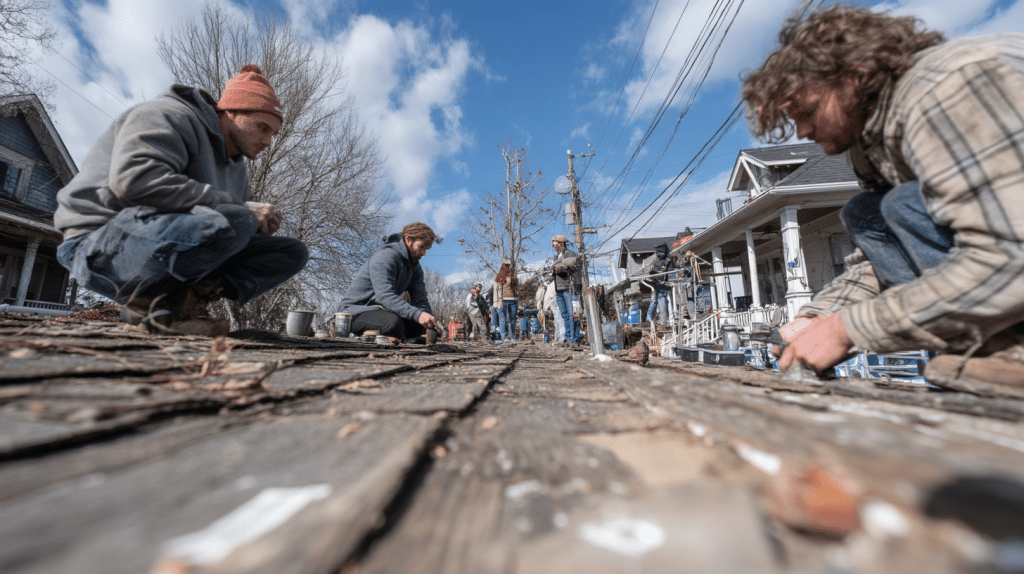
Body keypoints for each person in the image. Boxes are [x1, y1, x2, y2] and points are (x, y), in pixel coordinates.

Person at [742, 5, 1024, 388]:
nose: (803, 131)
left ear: (854, 77)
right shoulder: (872, 141)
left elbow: (1011, 256)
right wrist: (818, 320)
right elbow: (880, 260)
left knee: (897, 205)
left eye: (808, 111)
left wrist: (847, 330)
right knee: (871, 213)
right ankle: (994, 347)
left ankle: (1009, 347)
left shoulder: (948, 89)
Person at [53, 65, 308, 336]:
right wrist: (243, 211)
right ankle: (149, 305)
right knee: (238, 217)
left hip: (158, 239)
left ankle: (179, 307)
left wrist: (258, 224)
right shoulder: (167, 115)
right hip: (96, 245)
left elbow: (234, 225)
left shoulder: (236, 167)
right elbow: (134, 181)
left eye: (272, 134)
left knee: (290, 252)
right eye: (262, 127)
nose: (267, 141)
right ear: (231, 112)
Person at [338, 222, 439, 342]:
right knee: (393, 324)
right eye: (421, 247)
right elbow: (385, 296)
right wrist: (418, 315)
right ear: (408, 240)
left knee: (418, 326)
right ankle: (396, 340)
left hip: (381, 312)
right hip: (355, 313)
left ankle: (399, 339)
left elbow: (420, 300)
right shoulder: (386, 257)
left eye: (426, 249)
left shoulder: (415, 268)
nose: (423, 253)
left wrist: (428, 320)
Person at [551, 234, 581, 348]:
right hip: (558, 288)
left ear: (561, 243)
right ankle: (568, 338)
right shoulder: (556, 257)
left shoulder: (570, 254)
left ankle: (573, 339)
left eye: (556, 245)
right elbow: (557, 269)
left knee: (570, 314)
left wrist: (558, 267)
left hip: (568, 287)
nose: (555, 247)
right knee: (564, 315)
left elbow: (571, 267)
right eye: (554, 246)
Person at [645, 243, 676, 326]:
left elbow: (670, 274)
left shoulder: (667, 262)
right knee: (656, 302)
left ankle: (665, 322)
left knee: (662, 303)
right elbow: (652, 273)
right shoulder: (657, 261)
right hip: (659, 286)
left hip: (665, 286)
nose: (658, 254)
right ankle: (653, 320)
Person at [494, 261, 518, 344]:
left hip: (513, 299)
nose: (508, 267)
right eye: (506, 265)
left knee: (513, 320)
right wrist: (496, 302)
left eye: (509, 265)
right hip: (503, 300)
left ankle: (512, 337)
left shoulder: (511, 275)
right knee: (503, 319)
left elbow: (515, 285)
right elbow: (495, 290)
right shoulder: (499, 277)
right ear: (503, 266)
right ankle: (504, 338)